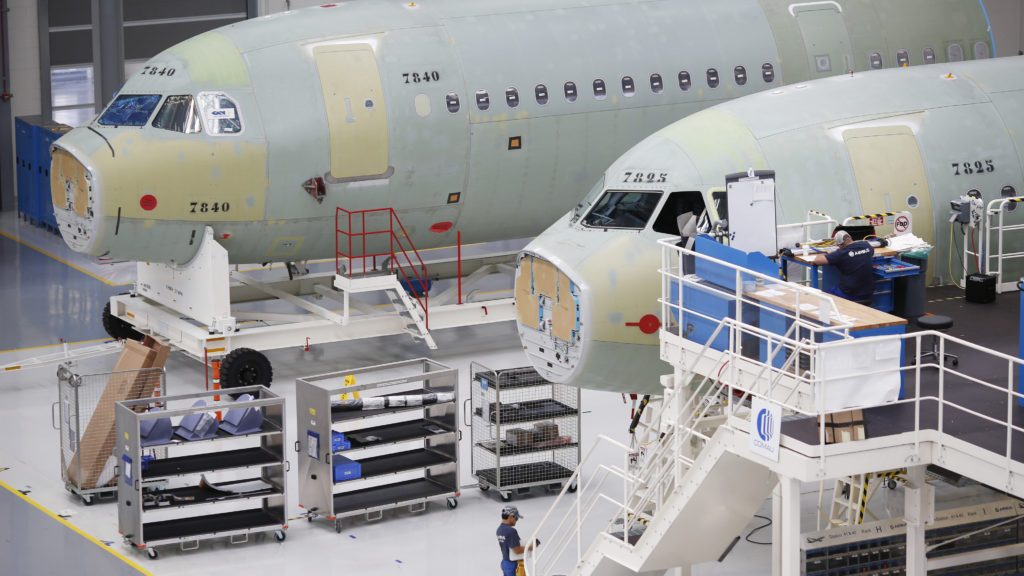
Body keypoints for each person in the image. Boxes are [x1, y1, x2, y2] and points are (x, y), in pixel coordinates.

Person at [812, 229, 875, 302]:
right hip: (868, 292)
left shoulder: (840, 254)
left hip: (849, 293)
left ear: (839, 245)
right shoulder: (866, 245)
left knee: (823, 299)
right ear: (851, 238)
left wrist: (825, 253)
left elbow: (817, 261)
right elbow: (871, 252)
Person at [497, 505, 536, 576]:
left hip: (505, 562)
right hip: (514, 565)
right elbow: (517, 550)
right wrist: (531, 547)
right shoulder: (511, 531)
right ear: (510, 517)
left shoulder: (499, 530)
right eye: (516, 518)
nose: (516, 520)